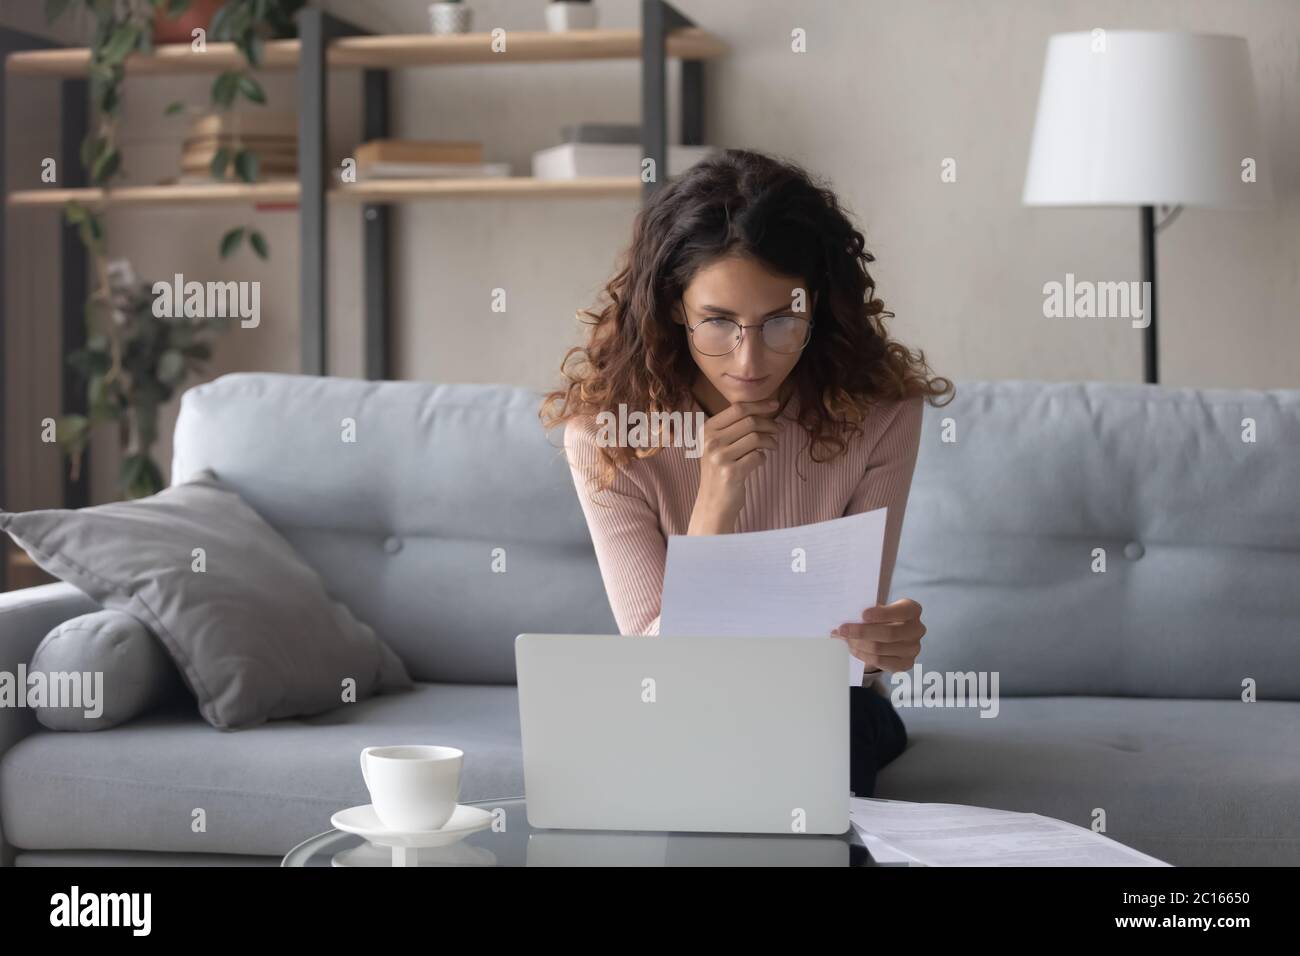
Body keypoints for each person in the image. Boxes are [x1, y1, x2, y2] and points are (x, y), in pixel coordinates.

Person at [539, 149, 954, 797]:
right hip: (679, 700)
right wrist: (714, 505)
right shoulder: (605, 435)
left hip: (826, 707)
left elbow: (843, 654)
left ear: (818, 307)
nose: (751, 359)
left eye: (781, 321)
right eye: (719, 322)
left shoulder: (880, 414)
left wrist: (880, 648)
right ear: (676, 306)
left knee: (807, 747)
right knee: (672, 752)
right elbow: (662, 668)